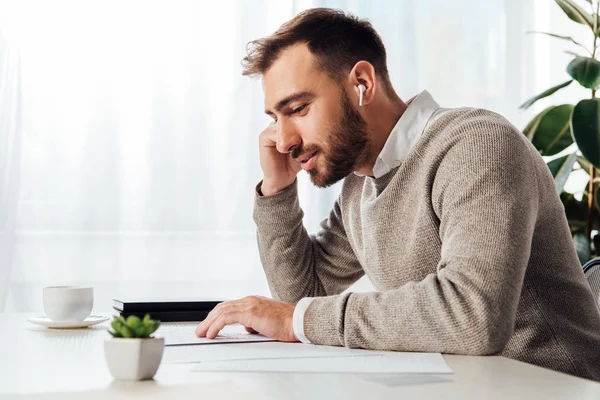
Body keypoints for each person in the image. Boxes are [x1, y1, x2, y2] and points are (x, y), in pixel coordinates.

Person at [195, 8, 600, 381]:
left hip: (554, 386)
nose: (283, 140)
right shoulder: (361, 184)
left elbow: (473, 315)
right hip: (464, 387)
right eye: (274, 117)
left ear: (362, 83)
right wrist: (278, 191)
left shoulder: (477, 145)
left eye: (298, 109)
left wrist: (295, 319)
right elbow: (301, 298)